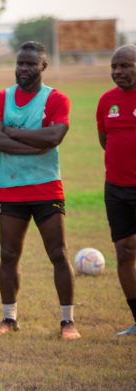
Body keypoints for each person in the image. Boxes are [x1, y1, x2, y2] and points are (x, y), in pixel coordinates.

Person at [0, 41, 81, 340]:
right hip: (11, 188)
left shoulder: (56, 99)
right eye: (20, 63)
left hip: (46, 188)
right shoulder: (1, 98)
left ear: (43, 67)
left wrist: (11, 133)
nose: (23, 69)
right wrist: (32, 142)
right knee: (8, 254)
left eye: (30, 64)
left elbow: (54, 135)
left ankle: (68, 322)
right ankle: (8, 318)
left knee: (58, 253)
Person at [96, 44, 136, 336]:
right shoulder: (106, 101)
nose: (118, 72)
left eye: (125, 66)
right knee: (124, 253)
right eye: (114, 67)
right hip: (116, 189)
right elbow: (105, 140)